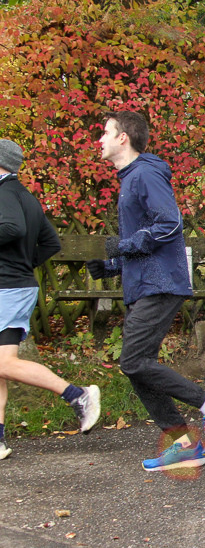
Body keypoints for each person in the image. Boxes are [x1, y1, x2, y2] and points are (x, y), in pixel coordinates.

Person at [88, 111, 205, 471]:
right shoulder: (130, 178)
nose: (100, 140)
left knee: (134, 361)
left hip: (161, 284)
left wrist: (121, 248)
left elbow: (169, 224)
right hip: (147, 283)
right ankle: (183, 444)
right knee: (137, 368)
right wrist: (110, 266)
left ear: (123, 138)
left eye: (105, 132)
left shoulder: (145, 173)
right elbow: (144, 242)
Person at [0, 140, 101, 460]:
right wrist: (22, 265)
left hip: (8, 288)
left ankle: (77, 395)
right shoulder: (26, 196)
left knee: (3, 363)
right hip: (16, 284)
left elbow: (12, 227)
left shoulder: (3, 193)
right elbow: (50, 242)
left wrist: (13, 268)